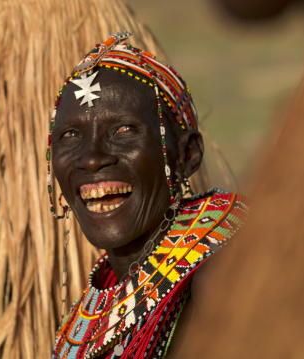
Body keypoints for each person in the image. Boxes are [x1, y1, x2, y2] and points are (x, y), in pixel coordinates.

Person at [47, 31, 248, 358]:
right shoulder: (92, 306)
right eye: (70, 135)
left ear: (187, 156)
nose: (92, 158)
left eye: (123, 131)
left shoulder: (223, 273)